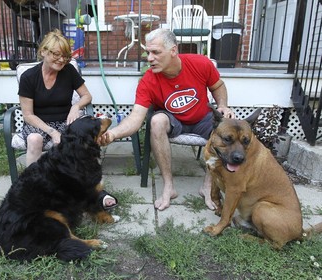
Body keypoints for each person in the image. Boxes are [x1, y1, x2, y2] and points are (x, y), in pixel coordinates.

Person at [99, 28, 235, 211]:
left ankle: (208, 185)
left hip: (203, 118)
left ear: (173, 51)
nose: (149, 58)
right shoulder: (149, 80)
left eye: (156, 52)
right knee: (156, 121)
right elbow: (135, 118)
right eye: (148, 52)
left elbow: (218, 86)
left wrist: (223, 105)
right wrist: (112, 134)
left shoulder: (200, 63)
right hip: (175, 122)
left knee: (224, 130)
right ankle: (169, 186)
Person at [18, 29, 116, 209]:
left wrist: (75, 106)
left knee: (79, 142)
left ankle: (87, 188)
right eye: (56, 54)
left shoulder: (68, 70)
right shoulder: (28, 77)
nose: (62, 60)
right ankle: (35, 189)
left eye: (65, 56)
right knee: (34, 139)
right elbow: (28, 115)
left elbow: (87, 96)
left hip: (65, 120)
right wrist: (51, 131)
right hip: (38, 123)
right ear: (43, 52)